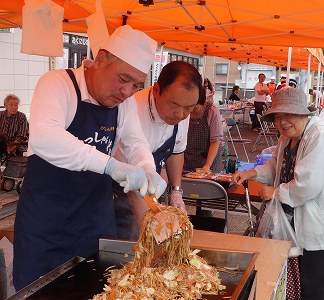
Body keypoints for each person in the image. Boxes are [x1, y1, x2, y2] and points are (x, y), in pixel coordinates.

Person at [13, 25, 167, 290]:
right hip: (46, 224)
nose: (127, 92)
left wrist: (146, 168)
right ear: (101, 59)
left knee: (97, 290)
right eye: (123, 79)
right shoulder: (58, 83)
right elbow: (44, 136)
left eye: (136, 85)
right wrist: (109, 165)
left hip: (95, 221)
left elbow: (136, 144)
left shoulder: (124, 105)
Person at [233, 88, 324, 300]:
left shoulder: (319, 137)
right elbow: (275, 166)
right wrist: (252, 173)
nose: (282, 122)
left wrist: (275, 193)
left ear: (304, 114)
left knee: (314, 292)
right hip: (293, 227)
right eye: (277, 117)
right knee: (294, 288)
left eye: (288, 115)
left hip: (318, 230)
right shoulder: (287, 137)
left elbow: (306, 185)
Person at [113, 61, 203, 240]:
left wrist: (176, 191)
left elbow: (176, 151)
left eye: (189, 108)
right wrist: (152, 235)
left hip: (150, 189)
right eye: (174, 105)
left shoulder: (182, 110)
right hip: (120, 193)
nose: (180, 114)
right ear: (156, 90)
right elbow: (135, 188)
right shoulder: (134, 111)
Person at [184, 90, 223, 174]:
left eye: (195, 108)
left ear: (203, 103)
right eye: (188, 107)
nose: (191, 111)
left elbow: (215, 142)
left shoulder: (211, 111)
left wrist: (207, 165)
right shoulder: (183, 110)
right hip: (185, 157)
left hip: (208, 158)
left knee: (207, 184)